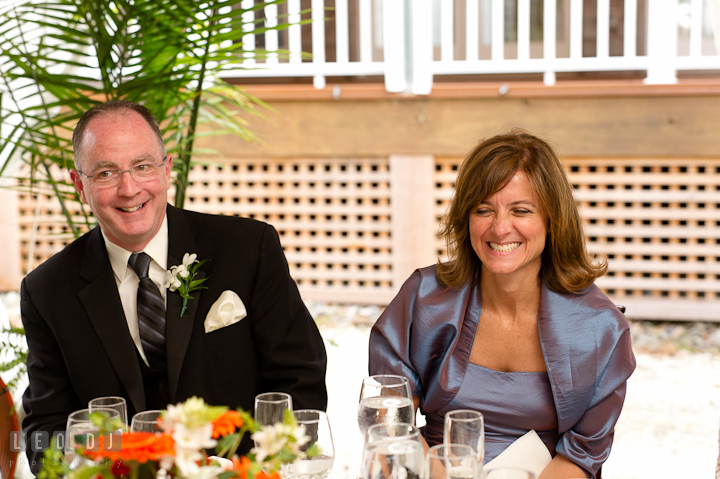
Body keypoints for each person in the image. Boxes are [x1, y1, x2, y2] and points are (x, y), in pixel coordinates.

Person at [20, 100, 327, 472]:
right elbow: (46, 431)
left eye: (142, 166)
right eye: (105, 173)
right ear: (79, 186)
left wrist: (263, 468)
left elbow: (300, 380)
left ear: (167, 171)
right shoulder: (47, 291)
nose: (128, 188)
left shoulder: (248, 249)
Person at [369, 130, 635, 479]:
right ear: (466, 218)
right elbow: (390, 416)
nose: (500, 227)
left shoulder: (601, 327)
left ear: (552, 219)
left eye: (521, 210)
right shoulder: (424, 297)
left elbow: (581, 457)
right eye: (483, 210)